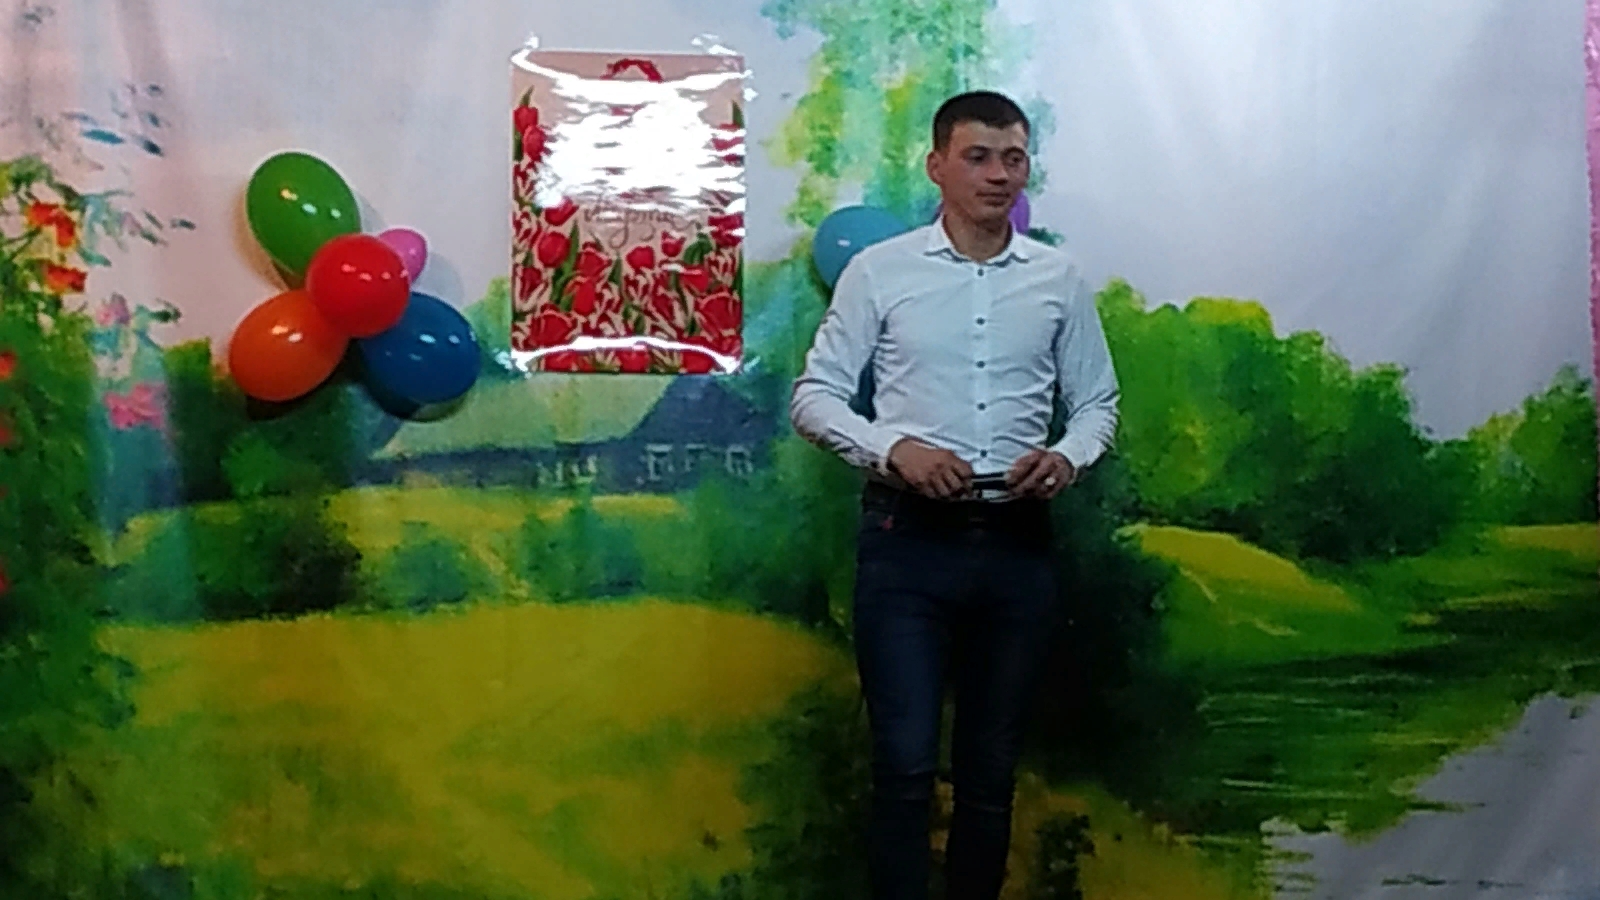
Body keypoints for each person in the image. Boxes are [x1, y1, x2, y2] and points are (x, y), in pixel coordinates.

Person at [789, 90, 1120, 900]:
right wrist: (893, 449)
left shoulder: (1058, 279)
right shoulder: (880, 272)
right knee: (903, 769)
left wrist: (1067, 457)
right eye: (978, 157)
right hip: (907, 544)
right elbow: (815, 397)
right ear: (937, 166)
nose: (998, 174)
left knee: (989, 775)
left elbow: (1098, 405)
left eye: (1013, 158)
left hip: (1017, 546)